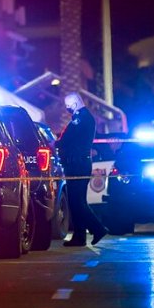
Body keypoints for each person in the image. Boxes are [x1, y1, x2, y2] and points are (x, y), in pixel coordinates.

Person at [56, 92, 108, 246]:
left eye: (68, 105)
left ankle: (97, 228)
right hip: (79, 163)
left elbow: (67, 139)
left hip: (77, 165)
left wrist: (55, 144)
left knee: (77, 202)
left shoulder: (80, 119)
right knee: (76, 201)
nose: (67, 108)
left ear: (75, 103)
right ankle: (80, 236)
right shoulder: (85, 117)